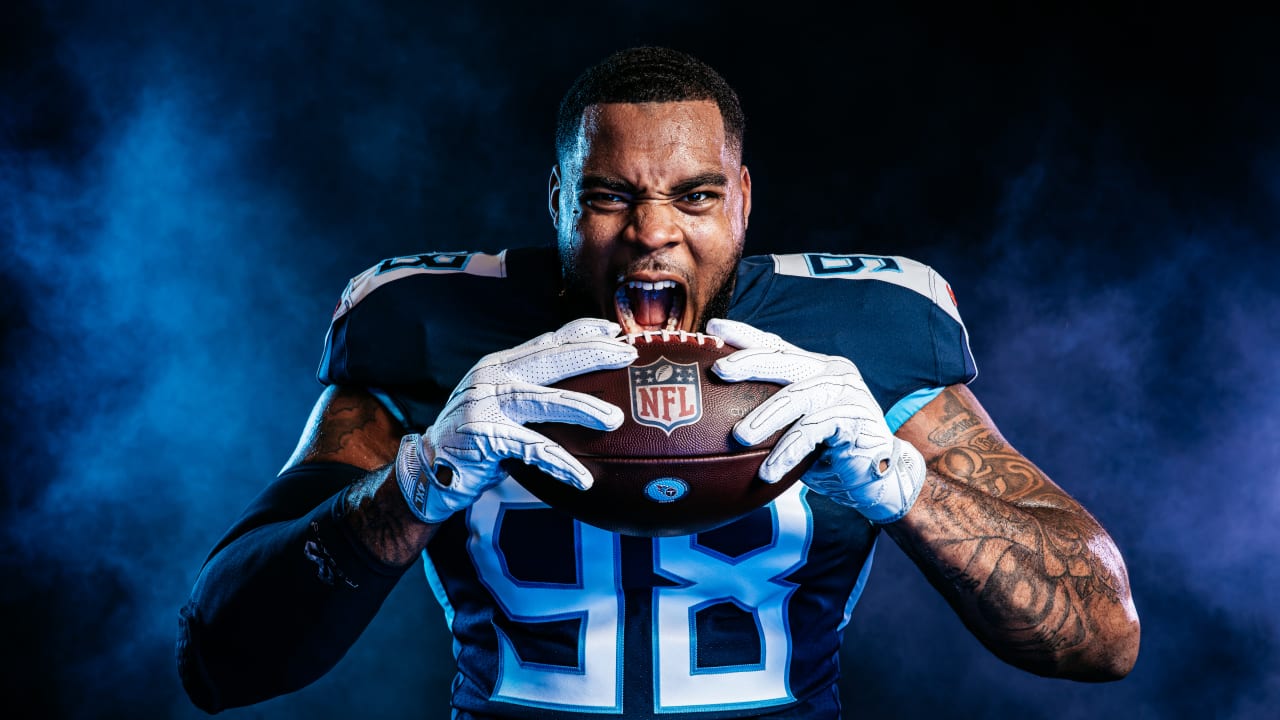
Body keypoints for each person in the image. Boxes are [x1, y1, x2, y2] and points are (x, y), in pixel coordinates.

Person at [177, 46, 1140, 718]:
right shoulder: (428, 324)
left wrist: (906, 486)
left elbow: (1105, 639)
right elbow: (220, 658)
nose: (652, 233)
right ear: (557, 199)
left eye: (695, 195)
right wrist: (416, 480)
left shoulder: (866, 335)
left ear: (744, 200)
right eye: (608, 196)